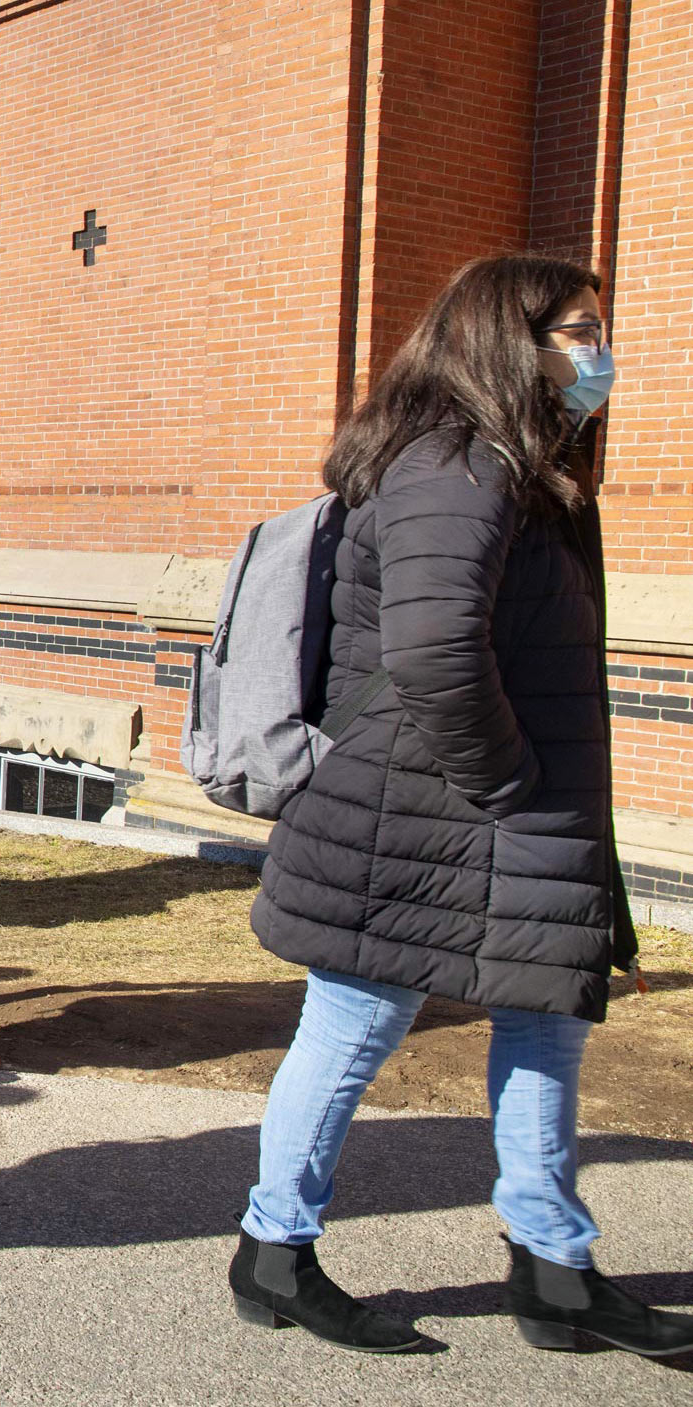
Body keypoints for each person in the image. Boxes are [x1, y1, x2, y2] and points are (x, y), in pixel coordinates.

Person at [232, 254, 692, 1358]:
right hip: (425, 815)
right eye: (577, 334)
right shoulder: (454, 465)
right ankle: (273, 1252)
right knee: (351, 1030)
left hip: (496, 814)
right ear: (507, 341)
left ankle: (554, 1270)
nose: (596, 355)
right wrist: (508, 783)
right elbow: (434, 654)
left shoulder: (514, 468)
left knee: (547, 1020)